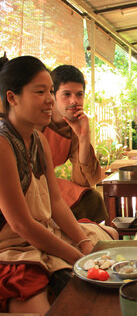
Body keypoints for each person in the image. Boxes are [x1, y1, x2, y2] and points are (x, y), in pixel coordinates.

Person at [0, 55, 118, 315]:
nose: (50, 100)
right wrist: (77, 257)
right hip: (13, 247)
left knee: (110, 237)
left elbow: (55, 203)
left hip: (46, 231)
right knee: (43, 308)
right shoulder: (2, 143)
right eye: (40, 92)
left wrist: (83, 242)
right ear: (12, 98)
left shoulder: (37, 140)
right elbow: (21, 225)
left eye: (51, 92)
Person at [40, 65, 108, 223]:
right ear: (53, 95)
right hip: (24, 186)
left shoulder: (73, 127)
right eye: (66, 94)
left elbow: (85, 181)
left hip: (47, 186)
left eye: (79, 94)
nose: (74, 101)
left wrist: (84, 138)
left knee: (91, 198)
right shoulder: (37, 120)